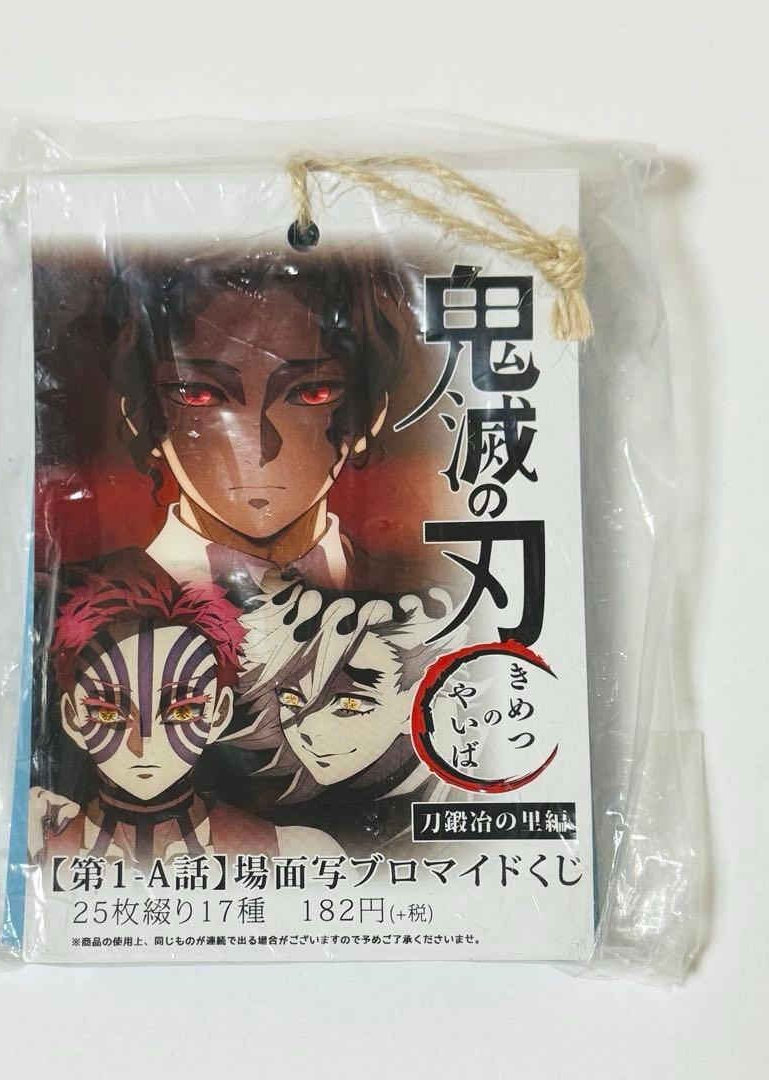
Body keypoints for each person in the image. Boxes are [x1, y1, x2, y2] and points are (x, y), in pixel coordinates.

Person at [104, 254, 415, 592]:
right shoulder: (86, 605)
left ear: (369, 417)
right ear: (141, 418)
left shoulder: (417, 598)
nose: (257, 451)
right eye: (198, 395)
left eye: (312, 393)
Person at [30, 554, 343, 868]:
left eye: (181, 713)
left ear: (219, 713)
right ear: (72, 717)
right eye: (108, 714)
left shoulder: (295, 852)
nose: (143, 745)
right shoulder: (34, 842)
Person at [226, 583, 456, 855]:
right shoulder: (281, 822)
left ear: (416, 702)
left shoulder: (453, 807)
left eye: (350, 704)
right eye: (291, 698)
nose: (306, 729)